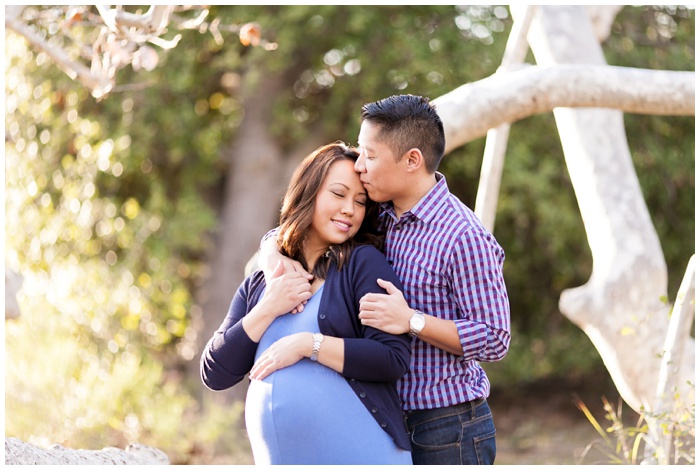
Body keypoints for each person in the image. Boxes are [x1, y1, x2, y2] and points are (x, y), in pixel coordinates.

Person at [259, 95, 511, 465]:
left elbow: (495, 338)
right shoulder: (378, 214)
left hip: (447, 425)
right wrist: (271, 254)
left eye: (369, 156)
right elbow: (307, 223)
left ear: (412, 160)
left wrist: (412, 320)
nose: (360, 166)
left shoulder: (463, 236)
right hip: (380, 419)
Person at [200, 142, 413, 465]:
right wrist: (269, 307)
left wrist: (308, 344)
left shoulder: (362, 264)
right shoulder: (263, 280)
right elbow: (215, 373)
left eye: (360, 202)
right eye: (338, 195)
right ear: (308, 193)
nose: (350, 210)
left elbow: (391, 358)